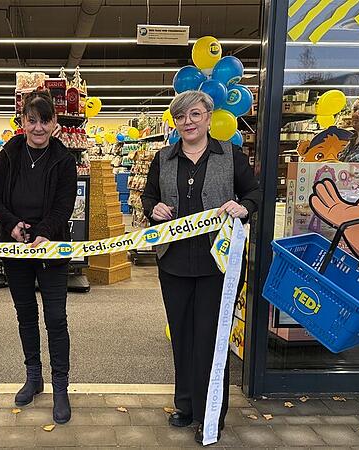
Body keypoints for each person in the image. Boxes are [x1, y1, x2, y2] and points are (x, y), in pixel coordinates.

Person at [141, 90, 260, 444]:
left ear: (209, 117)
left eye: (194, 114)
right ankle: (186, 405)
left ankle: (212, 414)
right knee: (182, 335)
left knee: (210, 338)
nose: (188, 122)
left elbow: (254, 193)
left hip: (216, 265)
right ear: (175, 123)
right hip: (173, 262)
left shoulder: (231, 156)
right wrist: (154, 209)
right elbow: (148, 195)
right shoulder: (163, 158)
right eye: (180, 117)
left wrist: (243, 208)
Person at [0, 90, 77, 424]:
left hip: (51, 248)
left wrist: (45, 232)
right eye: (32, 120)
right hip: (14, 247)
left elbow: (65, 204)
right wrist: (11, 225)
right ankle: (34, 377)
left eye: (44, 121)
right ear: (22, 122)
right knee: (25, 313)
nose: (38, 128)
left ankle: (61, 386)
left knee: (56, 318)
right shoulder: (9, 154)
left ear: (54, 123)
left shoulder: (64, 159)